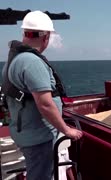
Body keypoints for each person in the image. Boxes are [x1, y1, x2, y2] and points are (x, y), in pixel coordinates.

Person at [1, 10, 83, 180]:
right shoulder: (31, 62)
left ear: (25, 33)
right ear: (45, 37)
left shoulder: (14, 59)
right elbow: (45, 104)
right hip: (39, 138)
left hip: (25, 132)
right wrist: (67, 130)